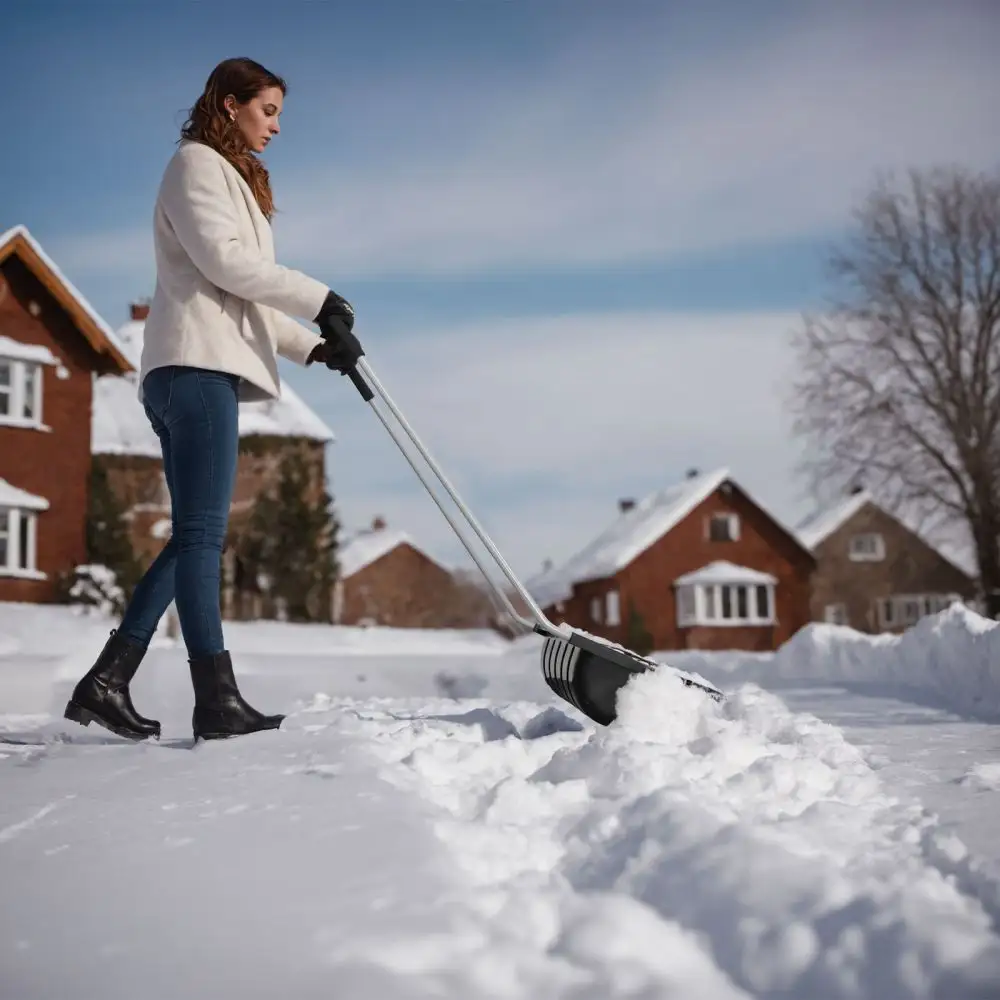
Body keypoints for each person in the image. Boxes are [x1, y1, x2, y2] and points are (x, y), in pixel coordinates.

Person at [63, 57, 363, 742]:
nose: (277, 127)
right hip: (194, 372)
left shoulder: (227, 177)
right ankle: (216, 702)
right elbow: (232, 267)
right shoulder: (195, 166)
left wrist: (313, 345)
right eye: (268, 111)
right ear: (229, 105)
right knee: (203, 536)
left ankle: (107, 681)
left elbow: (237, 293)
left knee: (196, 537)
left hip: (196, 369)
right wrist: (320, 300)